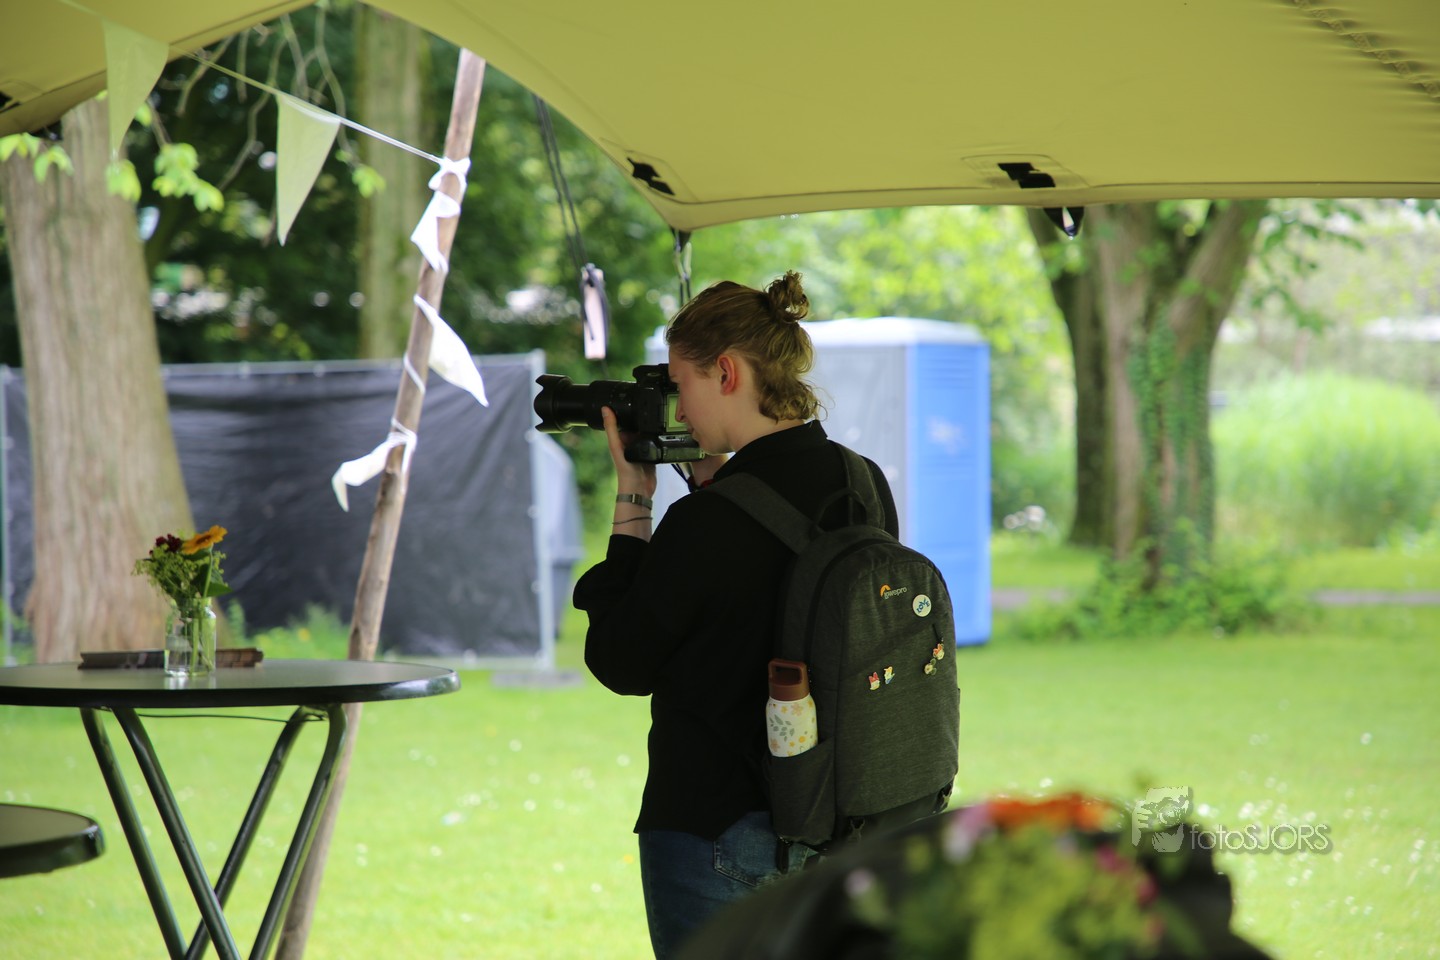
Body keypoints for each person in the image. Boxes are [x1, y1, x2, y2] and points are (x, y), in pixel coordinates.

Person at [573, 271, 899, 959]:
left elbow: (621, 662)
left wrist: (634, 498)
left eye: (679, 385)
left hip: (718, 831)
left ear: (725, 373)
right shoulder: (862, 482)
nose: (678, 410)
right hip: (844, 820)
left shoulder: (708, 520)